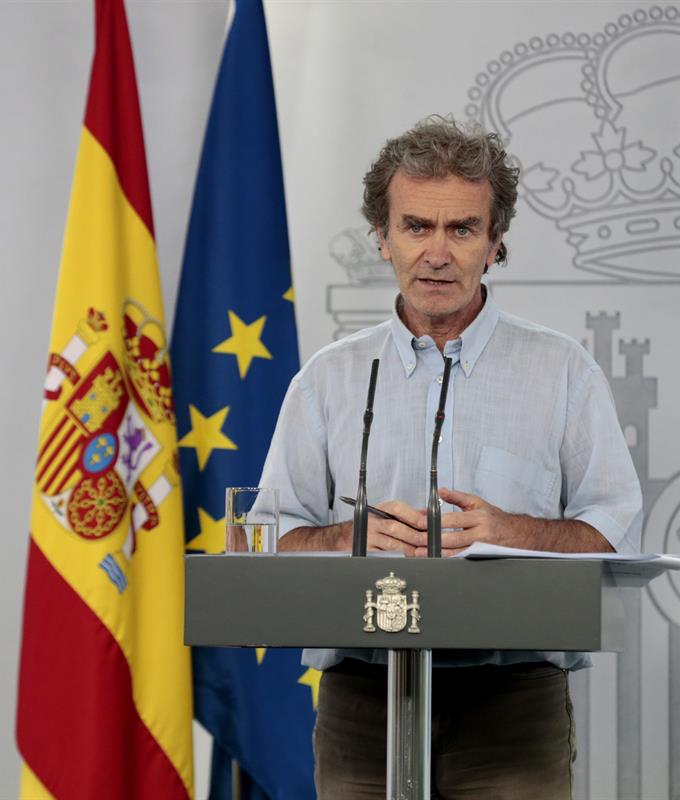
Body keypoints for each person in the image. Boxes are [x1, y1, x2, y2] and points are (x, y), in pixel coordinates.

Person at [258, 116, 642, 799]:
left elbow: (614, 532)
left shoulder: (563, 372)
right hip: (361, 697)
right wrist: (349, 537)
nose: (437, 252)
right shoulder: (326, 379)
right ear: (382, 236)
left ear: (495, 243)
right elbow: (269, 538)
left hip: (512, 704)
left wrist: (514, 532)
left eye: (462, 229)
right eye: (416, 227)